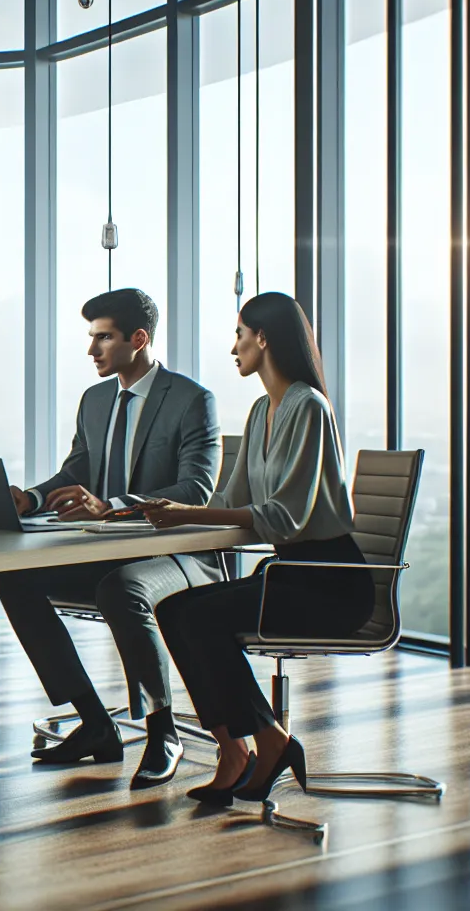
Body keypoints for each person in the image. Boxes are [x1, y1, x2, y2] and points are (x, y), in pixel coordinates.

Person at [146, 292, 368, 806]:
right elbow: (231, 501)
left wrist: (188, 516)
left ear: (263, 338)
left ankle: (262, 744)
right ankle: (240, 747)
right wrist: (153, 512)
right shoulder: (259, 410)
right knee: (175, 608)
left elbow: (282, 517)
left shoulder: (308, 409)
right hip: (290, 574)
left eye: (240, 334)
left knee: (200, 618)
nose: (234, 348)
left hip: (331, 583)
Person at [0, 288, 220, 788]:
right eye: (91, 337)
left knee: (124, 588)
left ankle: (163, 730)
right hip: (112, 552)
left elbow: (196, 487)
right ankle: (95, 722)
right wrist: (30, 499)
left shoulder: (191, 400)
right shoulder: (96, 400)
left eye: (103, 338)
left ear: (138, 339)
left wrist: (114, 505)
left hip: (180, 554)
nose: (92, 350)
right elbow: (76, 471)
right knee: (14, 578)